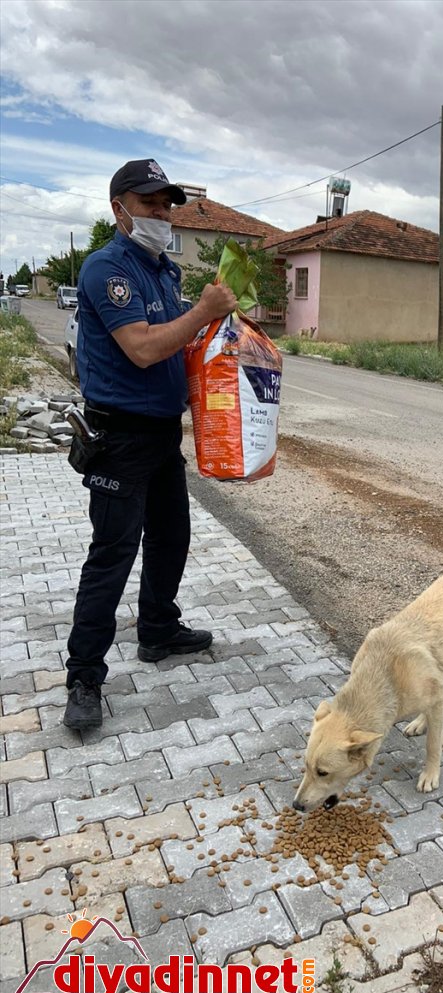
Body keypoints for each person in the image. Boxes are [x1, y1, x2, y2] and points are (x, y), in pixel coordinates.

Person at [63, 158, 237, 730]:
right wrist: (204, 314)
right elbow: (141, 347)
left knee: (171, 538)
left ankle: (158, 630)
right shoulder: (106, 269)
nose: (162, 214)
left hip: (163, 434)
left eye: (167, 205)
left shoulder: (164, 272)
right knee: (113, 553)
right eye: (150, 204)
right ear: (120, 209)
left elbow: (180, 342)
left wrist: (221, 332)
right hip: (120, 438)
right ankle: (84, 676)